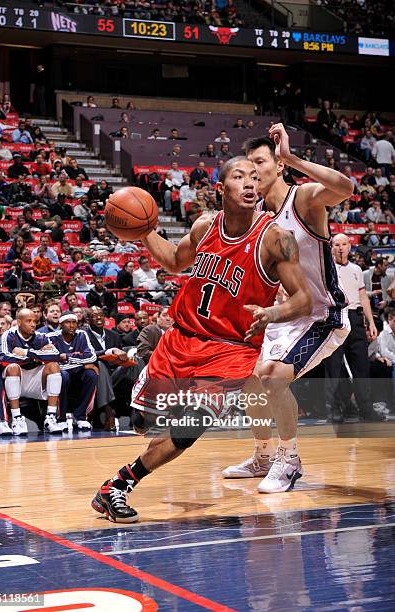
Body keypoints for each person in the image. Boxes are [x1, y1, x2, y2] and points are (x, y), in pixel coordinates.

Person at [91, 156, 312, 522]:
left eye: (255, 178)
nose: (249, 184)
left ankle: (117, 485)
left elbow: (303, 299)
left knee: (187, 430)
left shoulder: (276, 239)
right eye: (239, 176)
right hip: (180, 341)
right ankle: (121, 479)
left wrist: (272, 313)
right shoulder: (204, 227)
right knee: (146, 426)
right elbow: (174, 263)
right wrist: (144, 229)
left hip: (231, 352)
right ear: (219, 188)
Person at [223, 125, 352, 492]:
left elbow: (345, 188)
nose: (251, 174)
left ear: (278, 166)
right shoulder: (257, 219)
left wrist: (293, 157)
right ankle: (263, 455)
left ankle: (289, 459)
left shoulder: (304, 199)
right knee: (249, 377)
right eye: (245, 168)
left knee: (274, 377)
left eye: (259, 163)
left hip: (322, 312)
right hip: (285, 315)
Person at [325, 234, 382, 422]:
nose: (340, 248)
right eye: (336, 244)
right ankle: (334, 409)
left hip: (356, 318)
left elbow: (363, 297)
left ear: (350, 247)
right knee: (333, 366)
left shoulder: (357, 269)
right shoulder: (326, 267)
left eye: (344, 244)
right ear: (331, 247)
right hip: (336, 317)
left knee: (361, 366)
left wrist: (371, 322)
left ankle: (366, 408)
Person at [0, 308, 63, 435]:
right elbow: (4, 357)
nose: (33, 324)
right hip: (17, 378)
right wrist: (38, 356)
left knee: (54, 366)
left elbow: (55, 355)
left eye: (35, 321)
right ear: (19, 322)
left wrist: (26, 353)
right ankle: (16, 418)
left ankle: (50, 418)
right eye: (28, 321)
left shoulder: (41, 336)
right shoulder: (9, 335)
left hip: (36, 380)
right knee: (12, 367)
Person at [47, 312, 97, 431]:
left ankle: (80, 417)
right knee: (62, 376)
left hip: (77, 372)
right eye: (68, 322)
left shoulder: (82, 334)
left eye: (74, 322)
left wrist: (68, 357)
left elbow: (92, 357)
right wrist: (81, 362)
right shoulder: (51, 337)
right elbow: (54, 361)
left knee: (92, 375)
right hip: (62, 373)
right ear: (61, 324)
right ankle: (61, 418)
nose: (71, 325)